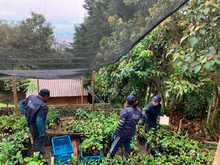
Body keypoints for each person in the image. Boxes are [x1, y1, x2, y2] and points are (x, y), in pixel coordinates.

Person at [19, 88, 50, 156]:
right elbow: (39, 120)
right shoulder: (43, 106)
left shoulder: (31, 97)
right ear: (46, 96)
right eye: (48, 97)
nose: (48, 99)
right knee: (40, 139)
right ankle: (38, 156)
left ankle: (35, 150)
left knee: (35, 137)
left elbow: (21, 104)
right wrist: (41, 132)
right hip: (36, 125)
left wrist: (26, 113)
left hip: (30, 122)